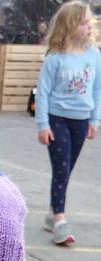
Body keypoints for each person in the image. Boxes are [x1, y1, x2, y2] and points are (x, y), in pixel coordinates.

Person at [35, 1, 100, 247]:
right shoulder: (55, 57)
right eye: (84, 23)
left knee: (67, 169)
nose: (89, 27)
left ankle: (52, 213)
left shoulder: (94, 55)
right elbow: (43, 92)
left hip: (81, 120)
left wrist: (95, 119)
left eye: (89, 23)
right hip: (57, 119)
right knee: (62, 170)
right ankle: (60, 221)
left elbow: (97, 89)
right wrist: (43, 124)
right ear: (70, 26)